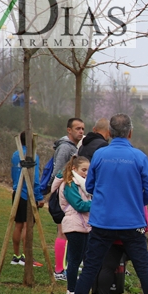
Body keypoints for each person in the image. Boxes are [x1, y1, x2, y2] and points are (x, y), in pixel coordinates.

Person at [61, 114, 148, 294]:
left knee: (90, 268)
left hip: (102, 223)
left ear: (109, 133)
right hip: (132, 224)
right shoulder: (139, 157)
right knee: (143, 269)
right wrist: (136, 203)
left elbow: (90, 186)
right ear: (130, 132)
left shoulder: (100, 156)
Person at [51, 156, 93, 294]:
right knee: (74, 260)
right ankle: (71, 291)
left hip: (83, 225)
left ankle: (76, 291)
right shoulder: (69, 184)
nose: (86, 173)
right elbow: (79, 205)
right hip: (74, 224)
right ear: (74, 169)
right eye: (83, 170)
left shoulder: (81, 184)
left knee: (80, 258)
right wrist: (98, 205)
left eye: (88, 170)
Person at [48, 118, 86, 277]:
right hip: (64, 195)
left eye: (83, 129)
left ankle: (69, 266)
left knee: (70, 232)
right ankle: (58, 269)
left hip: (70, 193)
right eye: (77, 128)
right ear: (68, 130)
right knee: (62, 232)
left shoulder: (75, 147)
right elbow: (58, 171)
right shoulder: (65, 147)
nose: (81, 132)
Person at [10, 131, 45, 267]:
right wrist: (39, 196)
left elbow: (13, 173)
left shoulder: (15, 154)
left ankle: (16, 256)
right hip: (27, 193)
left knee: (18, 224)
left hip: (16, 192)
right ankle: (25, 257)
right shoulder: (32, 156)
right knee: (27, 225)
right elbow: (35, 179)